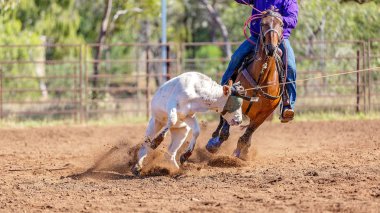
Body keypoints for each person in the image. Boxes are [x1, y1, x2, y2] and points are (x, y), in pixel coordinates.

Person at [221, 0, 298, 122]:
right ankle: (222, 91)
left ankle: (288, 105)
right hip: (257, 36)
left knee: (290, 66)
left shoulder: (289, 1)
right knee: (236, 57)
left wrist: (276, 17)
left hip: (279, 38)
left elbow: (293, 20)